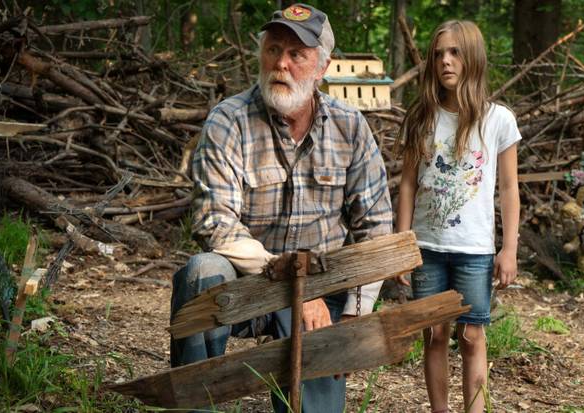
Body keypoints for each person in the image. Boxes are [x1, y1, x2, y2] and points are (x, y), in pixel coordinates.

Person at [170, 4, 392, 412]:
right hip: (247, 280)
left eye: (296, 55)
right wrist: (290, 282)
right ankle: (195, 402)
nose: (281, 64)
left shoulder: (350, 126)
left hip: (321, 294)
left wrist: (354, 315)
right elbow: (214, 221)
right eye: (273, 50)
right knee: (202, 271)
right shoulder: (229, 121)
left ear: (321, 67)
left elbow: (375, 226)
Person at [396, 20, 521, 413]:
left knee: (471, 337)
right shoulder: (422, 117)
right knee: (434, 335)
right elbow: (408, 185)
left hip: (474, 249)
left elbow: (509, 189)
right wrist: (403, 246)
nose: (445, 62)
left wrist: (509, 249)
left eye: (454, 53)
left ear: (473, 58)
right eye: (438, 55)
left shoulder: (498, 119)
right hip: (427, 247)